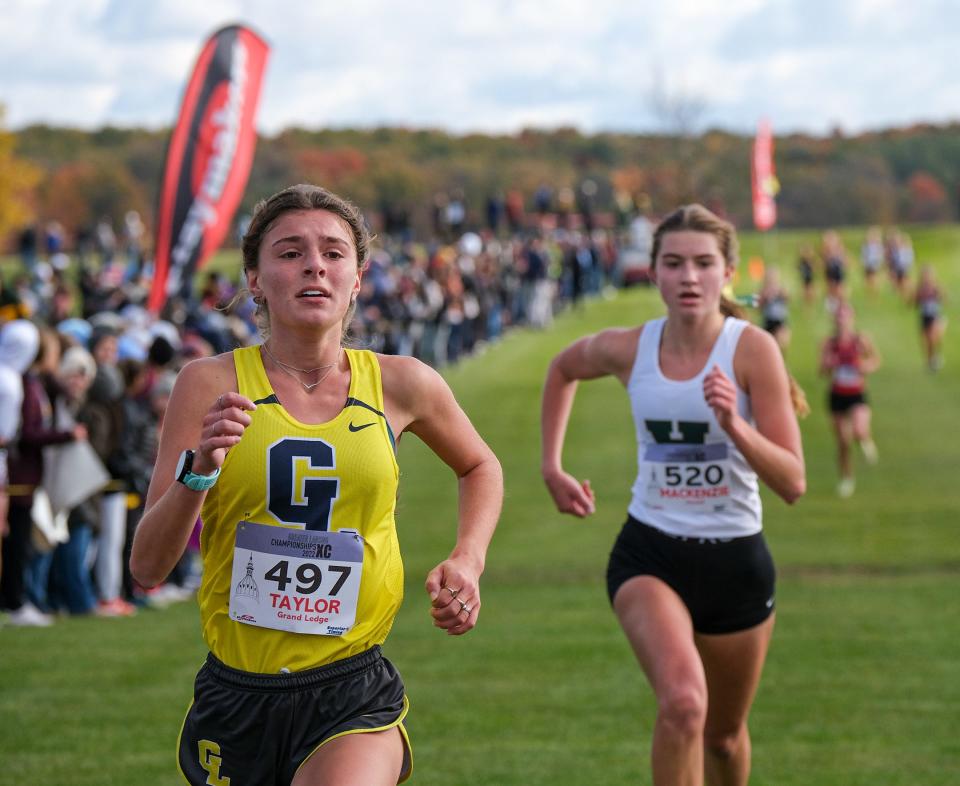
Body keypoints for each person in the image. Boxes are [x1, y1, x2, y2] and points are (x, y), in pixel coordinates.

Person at [130, 184, 502, 786]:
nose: (314, 265)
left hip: (351, 691)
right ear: (253, 278)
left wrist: (469, 558)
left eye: (334, 252)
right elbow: (148, 566)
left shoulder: (402, 384)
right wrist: (198, 471)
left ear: (358, 279)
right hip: (238, 693)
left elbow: (481, 465)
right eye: (290, 252)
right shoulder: (207, 384)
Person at [541, 204, 805, 786]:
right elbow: (562, 368)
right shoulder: (631, 347)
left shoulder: (752, 349)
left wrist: (735, 423)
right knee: (684, 703)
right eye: (675, 263)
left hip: (736, 561)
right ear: (653, 272)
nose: (689, 277)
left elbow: (792, 481)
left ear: (728, 271)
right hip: (650, 553)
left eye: (704, 263)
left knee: (724, 736)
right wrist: (552, 467)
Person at [819, 303, 880, 498]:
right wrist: (828, 365)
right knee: (843, 442)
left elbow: (876, 360)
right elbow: (822, 371)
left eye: (845, 318)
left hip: (857, 393)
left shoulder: (860, 340)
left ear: (852, 320)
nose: (842, 322)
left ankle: (865, 441)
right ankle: (847, 478)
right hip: (837, 395)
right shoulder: (829, 343)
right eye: (839, 319)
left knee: (859, 429)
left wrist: (864, 366)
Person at [913, 265, 946, 372]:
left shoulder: (936, 287)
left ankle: (935, 357)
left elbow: (943, 299)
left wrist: (939, 294)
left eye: (929, 275)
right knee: (925, 341)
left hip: (934, 315)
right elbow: (914, 302)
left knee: (932, 338)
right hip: (924, 317)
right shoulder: (920, 288)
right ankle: (930, 360)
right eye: (925, 275)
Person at [756, 267, 791, 353]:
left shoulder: (780, 289)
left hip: (780, 321)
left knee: (781, 345)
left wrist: (780, 293)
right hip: (768, 321)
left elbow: (787, 299)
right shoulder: (763, 291)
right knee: (768, 348)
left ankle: (781, 363)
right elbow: (758, 308)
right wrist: (765, 298)